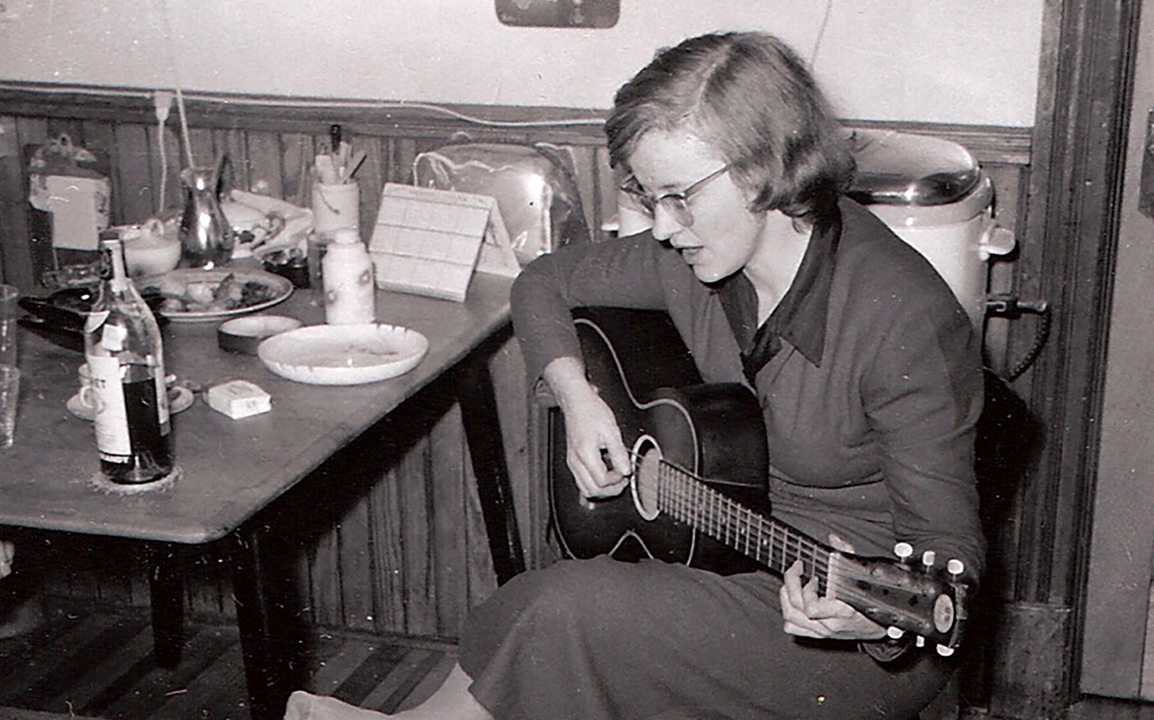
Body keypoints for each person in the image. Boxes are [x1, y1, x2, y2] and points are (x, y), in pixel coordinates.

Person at [286, 30, 984, 720]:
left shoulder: (903, 318)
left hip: (847, 626)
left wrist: (867, 621)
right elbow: (541, 283)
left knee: (572, 608)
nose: (659, 226)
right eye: (649, 198)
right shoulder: (691, 258)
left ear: (766, 167)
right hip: (730, 554)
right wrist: (577, 396)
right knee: (547, 598)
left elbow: (951, 565)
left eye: (678, 196)